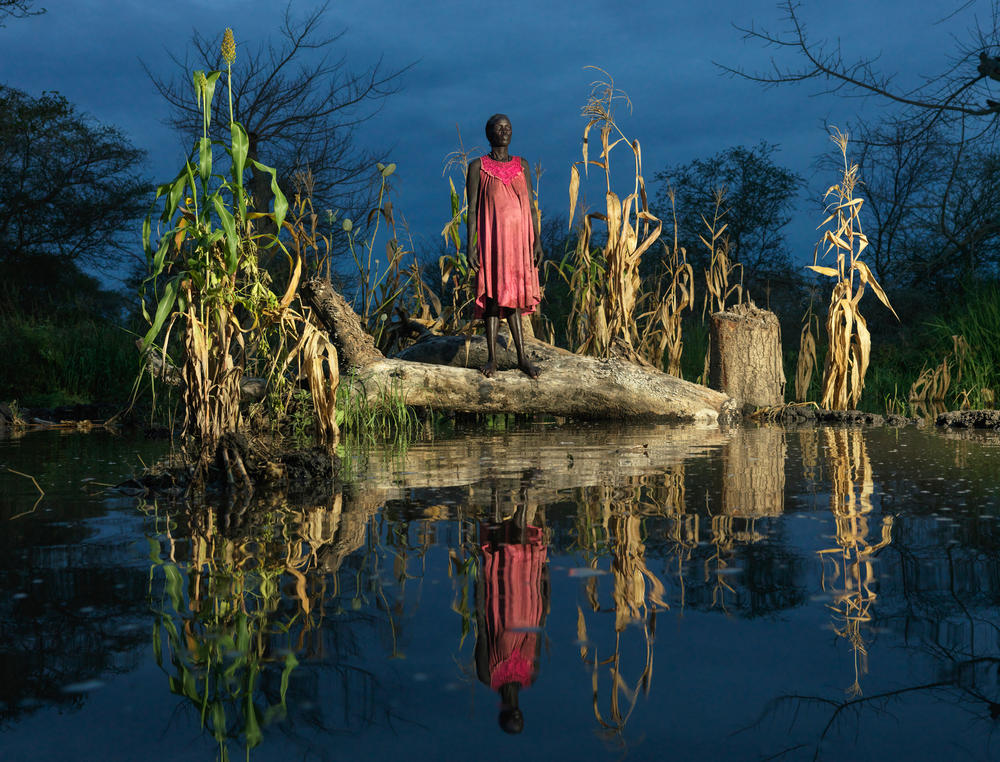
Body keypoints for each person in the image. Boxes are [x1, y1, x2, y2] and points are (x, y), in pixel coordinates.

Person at [466, 113, 543, 379]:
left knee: (514, 300)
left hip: (519, 242)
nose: (504, 131)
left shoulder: (522, 164)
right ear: (489, 133)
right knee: (491, 298)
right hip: (492, 241)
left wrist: (537, 241)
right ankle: (492, 360)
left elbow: (531, 207)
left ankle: (522, 358)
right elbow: (472, 210)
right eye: (499, 128)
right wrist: (471, 246)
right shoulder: (478, 166)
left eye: (508, 127)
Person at [474, 487, 549, 734]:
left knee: (521, 555)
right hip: (510, 606)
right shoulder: (490, 677)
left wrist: (544, 585)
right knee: (499, 556)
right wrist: (480, 589)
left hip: (527, 604)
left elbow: (539, 628)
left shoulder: (528, 675)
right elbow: (482, 629)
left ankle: (522, 492)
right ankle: (502, 487)